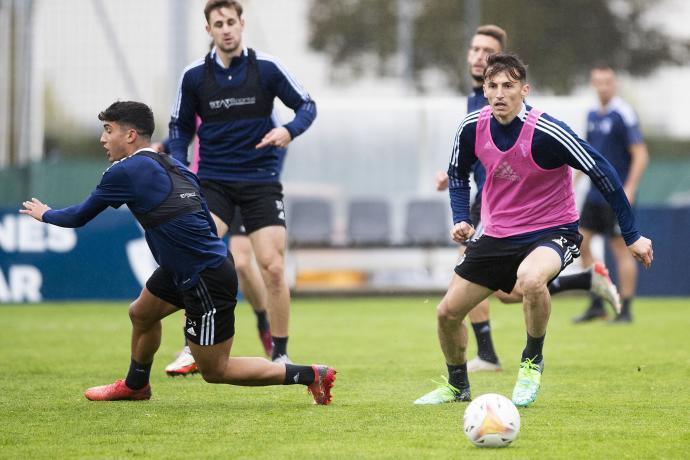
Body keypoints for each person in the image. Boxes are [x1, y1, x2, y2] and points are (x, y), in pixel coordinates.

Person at [19, 101, 335, 403]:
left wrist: (45, 213)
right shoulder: (176, 166)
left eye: (109, 130)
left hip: (204, 278)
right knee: (141, 313)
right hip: (187, 269)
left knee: (216, 369)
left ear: (130, 135)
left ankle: (309, 374)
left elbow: (77, 216)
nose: (103, 138)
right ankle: (136, 385)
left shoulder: (124, 171)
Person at [416, 53, 652, 407]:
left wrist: (632, 234)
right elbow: (456, 174)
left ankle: (531, 361)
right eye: (492, 86)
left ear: (524, 90)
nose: (498, 94)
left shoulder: (547, 131)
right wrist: (461, 218)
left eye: (508, 86)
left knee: (530, 279)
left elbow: (602, 171)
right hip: (497, 233)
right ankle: (457, 386)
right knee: (447, 314)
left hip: (552, 230)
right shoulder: (471, 126)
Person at [434, 25, 620, 373]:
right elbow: (469, 156)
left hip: (503, 206)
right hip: (488, 201)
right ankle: (582, 280)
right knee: (507, 292)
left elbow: (524, 148)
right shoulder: (476, 101)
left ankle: (488, 354)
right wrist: (452, 175)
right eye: (474, 49)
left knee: (509, 285)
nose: (478, 57)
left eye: (486, 51)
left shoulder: (512, 100)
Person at [167, 0, 317, 364]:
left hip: (260, 182)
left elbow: (307, 106)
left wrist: (288, 131)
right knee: (195, 257)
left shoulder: (266, 67)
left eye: (231, 22)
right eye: (218, 24)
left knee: (273, 266)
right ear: (209, 31)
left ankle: (280, 354)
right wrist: (178, 170)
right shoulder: (193, 76)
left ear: (241, 23)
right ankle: (192, 345)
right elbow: (179, 128)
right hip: (213, 183)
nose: (226, 29)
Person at [151, 140, 274, 375]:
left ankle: (262, 321)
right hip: (208, 190)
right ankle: (191, 346)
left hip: (247, 188)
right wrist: (162, 146)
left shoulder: (255, 113)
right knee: (194, 258)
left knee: (244, 262)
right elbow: (185, 133)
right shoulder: (198, 106)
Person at [573, 64, 649, 324]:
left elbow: (640, 154)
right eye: (598, 81)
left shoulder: (623, 114)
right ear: (593, 84)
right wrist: (571, 183)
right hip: (594, 194)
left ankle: (625, 308)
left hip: (616, 195)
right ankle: (597, 303)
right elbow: (585, 156)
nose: (602, 86)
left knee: (621, 248)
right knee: (581, 242)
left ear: (614, 84)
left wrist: (629, 188)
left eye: (607, 81)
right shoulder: (593, 114)